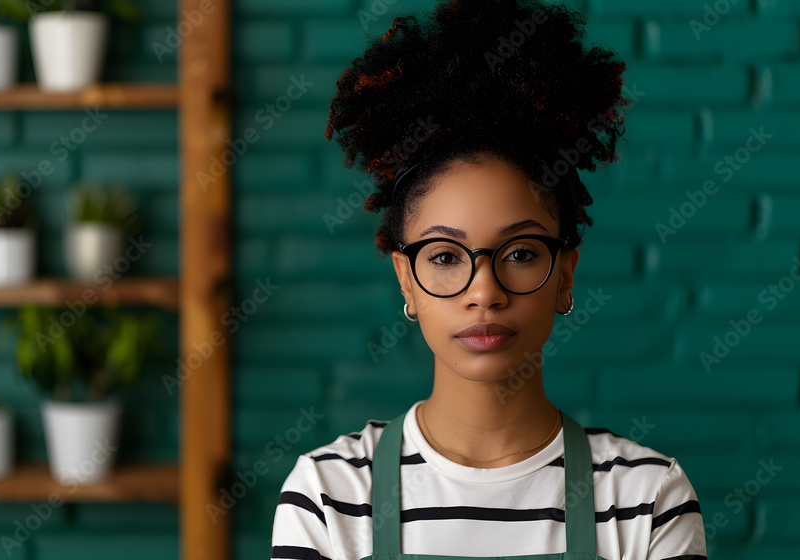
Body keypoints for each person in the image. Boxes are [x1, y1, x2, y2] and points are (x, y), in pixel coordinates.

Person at [270, 1, 707, 559]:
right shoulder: (329, 494)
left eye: (521, 252)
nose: (484, 291)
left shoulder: (647, 498)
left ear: (565, 275)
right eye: (447, 257)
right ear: (406, 279)